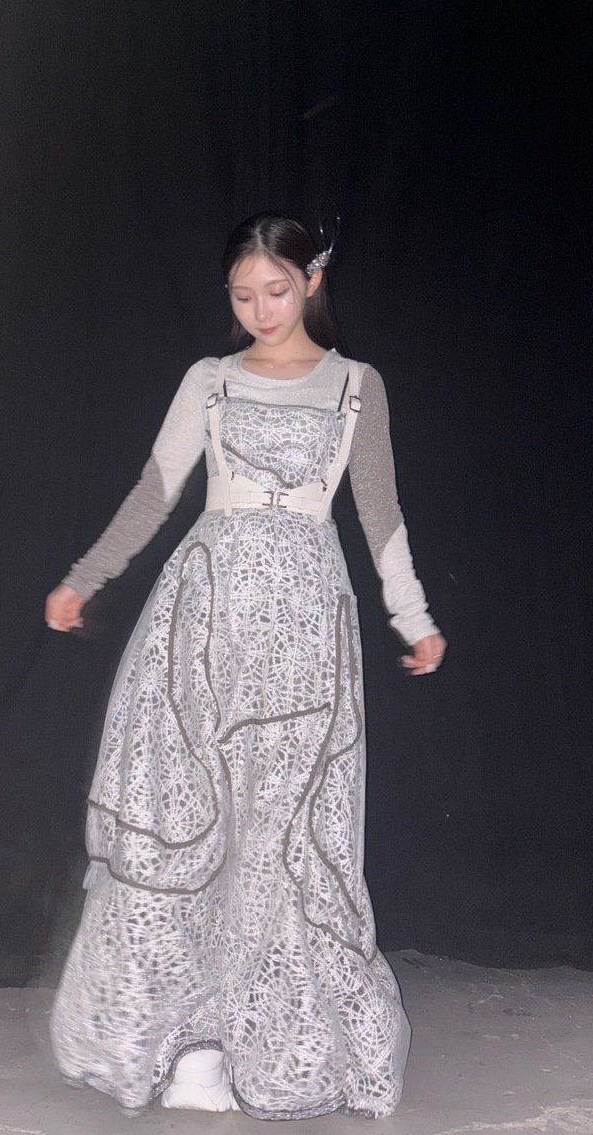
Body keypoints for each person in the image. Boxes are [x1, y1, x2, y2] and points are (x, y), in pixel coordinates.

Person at [46, 214, 446, 1119]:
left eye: (276, 289)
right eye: (242, 294)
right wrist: (86, 576)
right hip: (204, 618)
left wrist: (414, 616)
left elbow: (380, 512)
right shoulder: (210, 379)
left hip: (305, 628)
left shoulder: (356, 386)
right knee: (193, 822)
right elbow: (156, 489)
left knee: (284, 836)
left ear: (311, 281)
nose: (261, 309)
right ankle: (192, 1044)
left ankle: (273, 1046)